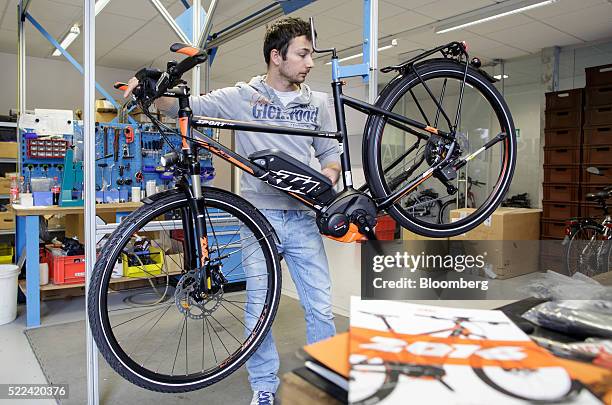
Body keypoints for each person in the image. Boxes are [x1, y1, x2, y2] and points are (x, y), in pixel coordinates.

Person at [124, 17, 339, 405]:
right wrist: (150, 94)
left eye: (311, 55)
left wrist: (322, 178)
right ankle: (264, 386)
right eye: (303, 54)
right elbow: (185, 107)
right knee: (259, 308)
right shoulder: (244, 96)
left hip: (304, 217)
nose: (310, 63)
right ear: (277, 56)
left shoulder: (318, 102)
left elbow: (331, 155)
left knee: (320, 306)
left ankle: (324, 383)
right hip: (259, 218)